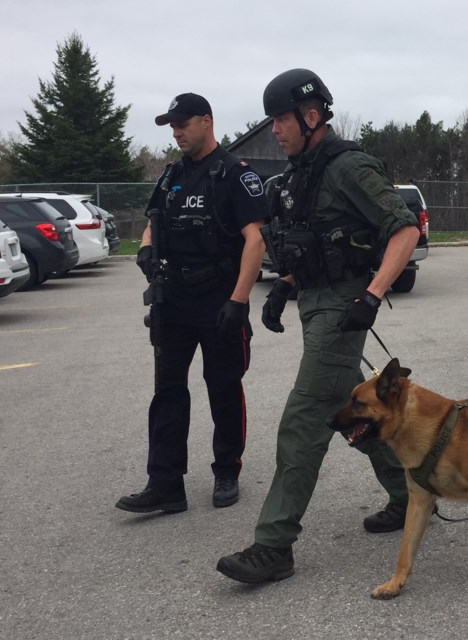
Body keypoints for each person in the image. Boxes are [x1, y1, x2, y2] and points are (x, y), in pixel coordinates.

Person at [216, 69, 422, 584]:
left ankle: (273, 545)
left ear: (310, 116)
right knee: (348, 413)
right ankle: (412, 496)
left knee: (304, 419)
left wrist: (372, 296)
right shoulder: (298, 173)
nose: (276, 130)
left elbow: (404, 228)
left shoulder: (348, 166)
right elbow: (311, 242)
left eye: (281, 119)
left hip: (343, 308)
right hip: (315, 303)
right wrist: (283, 287)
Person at [116, 93, 269, 514]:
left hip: (220, 299)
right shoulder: (170, 177)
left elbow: (255, 239)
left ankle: (226, 470)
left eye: (183, 123)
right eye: (172, 125)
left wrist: (238, 302)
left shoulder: (234, 174)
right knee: (167, 391)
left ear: (207, 121)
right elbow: (153, 221)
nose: (176, 132)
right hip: (174, 302)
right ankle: (165, 484)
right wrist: (146, 249)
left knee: (222, 387)